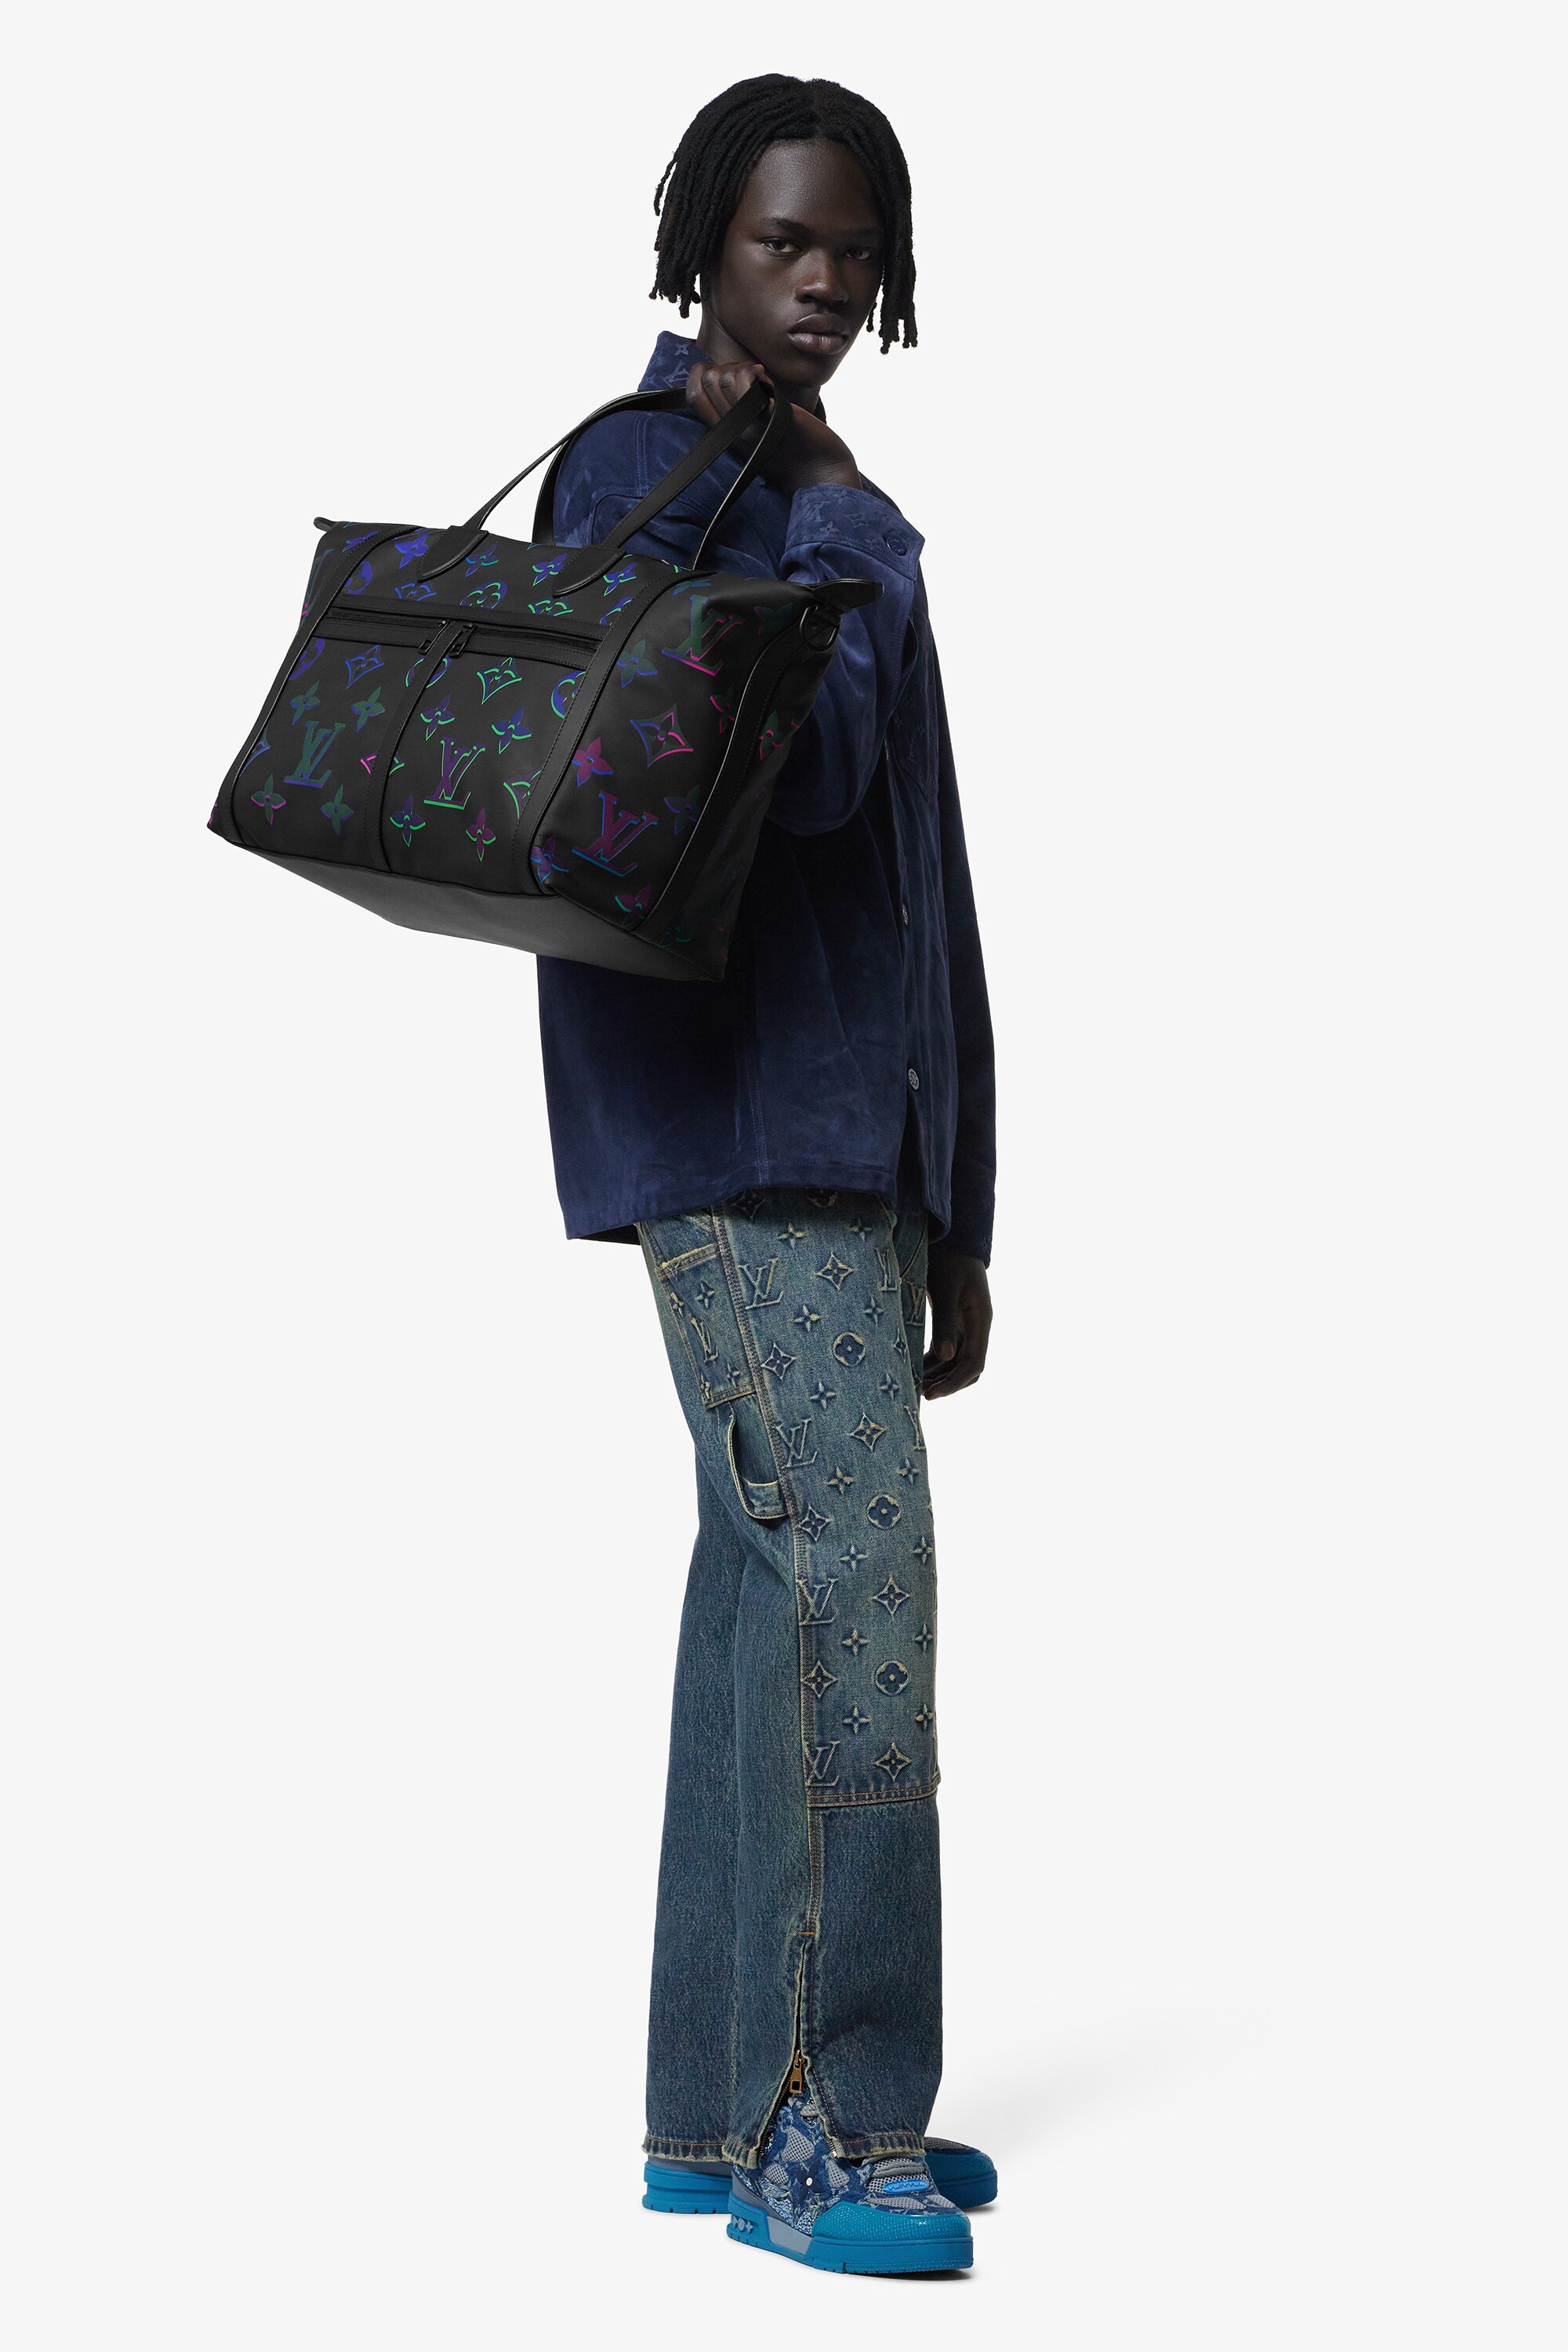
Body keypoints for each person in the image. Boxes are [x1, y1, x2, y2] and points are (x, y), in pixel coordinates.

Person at [538, 74, 997, 2277]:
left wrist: (957, 1202)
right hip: (734, 1129)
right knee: (855, 1598)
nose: (819, 284)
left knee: (767, 1592)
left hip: (838, 1139)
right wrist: (834, 522)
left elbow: (920, 880)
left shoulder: (806, 481)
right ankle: (829, 2126)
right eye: (778, 243)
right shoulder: (647, 475)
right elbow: (791, 780)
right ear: (699, 250)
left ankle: (710, 2116)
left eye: (851, 253)